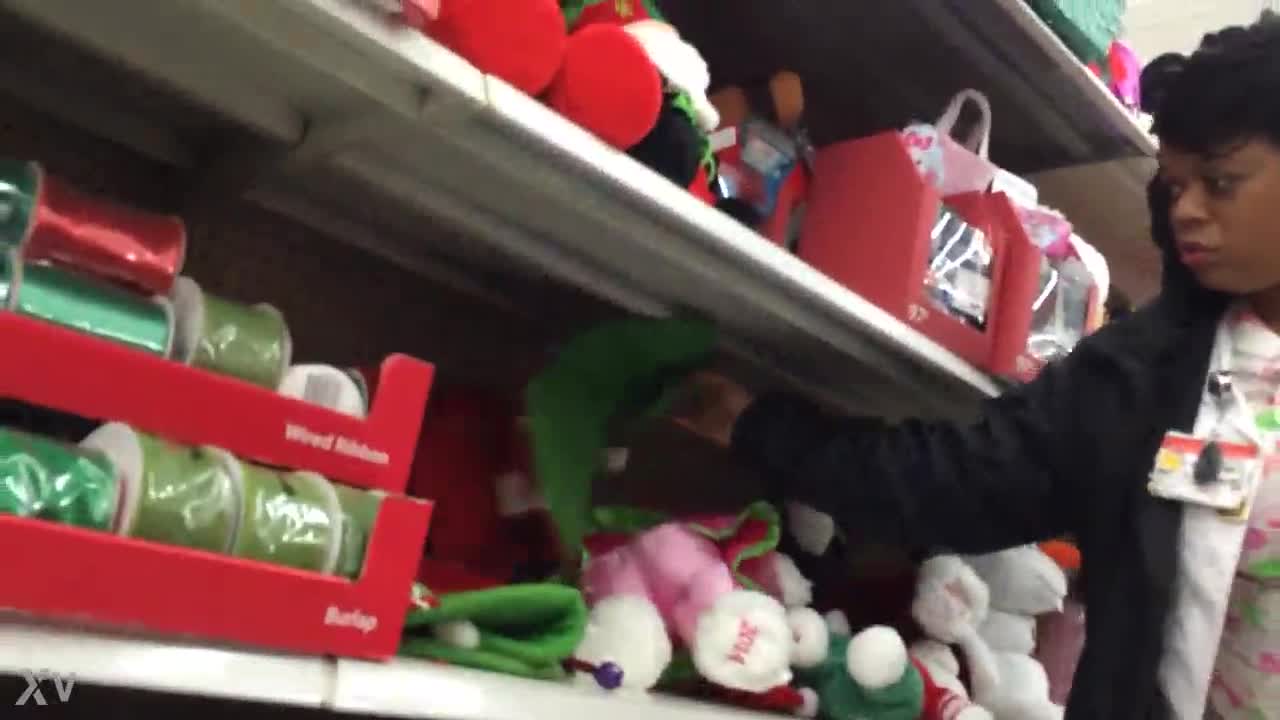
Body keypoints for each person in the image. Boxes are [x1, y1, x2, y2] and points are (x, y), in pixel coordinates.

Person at [675, 17, 1280, 720]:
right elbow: (962, 480)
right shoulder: (1144, 375)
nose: (1188, 212)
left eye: (1221, 182)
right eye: (1175, 186)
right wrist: (760, 429)